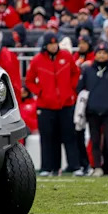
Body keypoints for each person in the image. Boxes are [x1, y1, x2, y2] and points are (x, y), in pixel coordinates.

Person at [25, 32, 81, 176]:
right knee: (48, 137)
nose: (53, 46)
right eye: (50, 44)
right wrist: (40, 92)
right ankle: (47, 168)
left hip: (66, 104)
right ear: (45, 45)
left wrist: (71, 89)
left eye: (55, 43)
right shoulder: (37, 60)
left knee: (69, 136)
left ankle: (75, 166)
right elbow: (29, 80)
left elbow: (75, 73)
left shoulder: (67, 57)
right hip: (45, 106)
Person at [78, 42, 108, 177]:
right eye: (99, 53)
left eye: (104, 53)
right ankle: (96, 167)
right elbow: (81, 89)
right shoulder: (88, 71)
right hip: (92, 111)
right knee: (94, 141)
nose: (101, 55)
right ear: (95, 55)